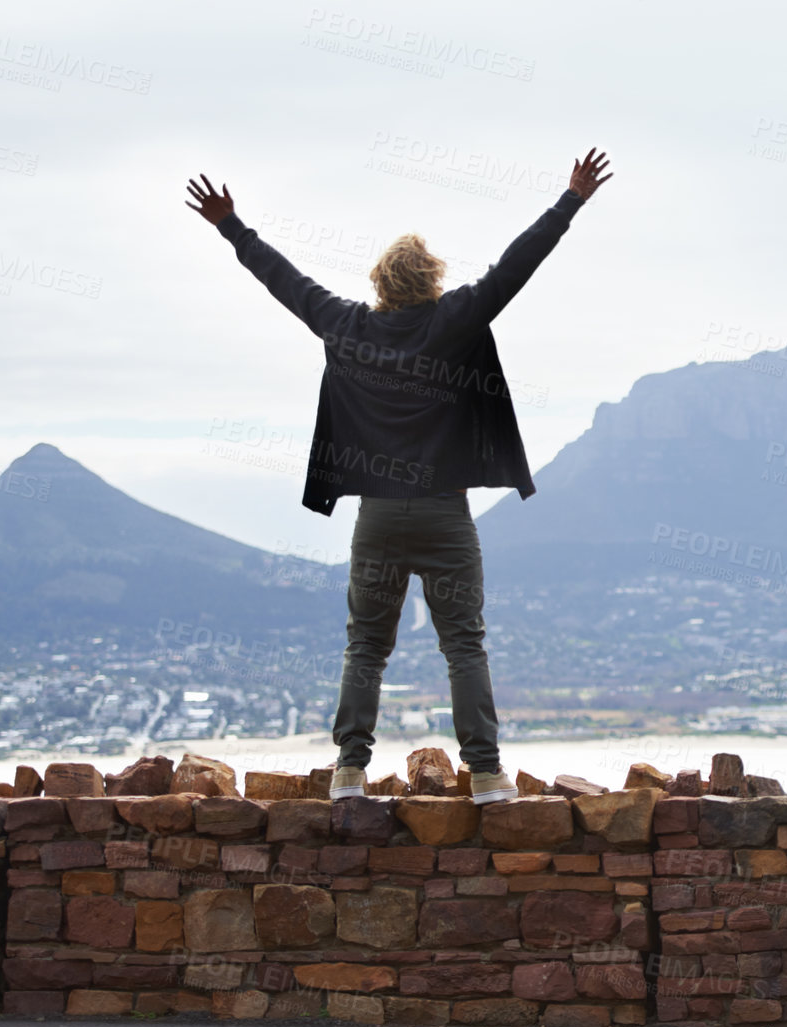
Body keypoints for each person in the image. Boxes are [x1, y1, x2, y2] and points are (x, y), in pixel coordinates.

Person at [185, 149, 612, 801]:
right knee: (464, 646)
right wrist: (570, 199)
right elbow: (514, 268)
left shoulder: (346, 325)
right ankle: (489, 775)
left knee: (366, 648)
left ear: (381, 283)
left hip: (377, 517)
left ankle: (349, 771)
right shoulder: (454, 319)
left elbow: (286, 281)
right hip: (444, 513)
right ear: (432, 280)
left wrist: (231, 226)